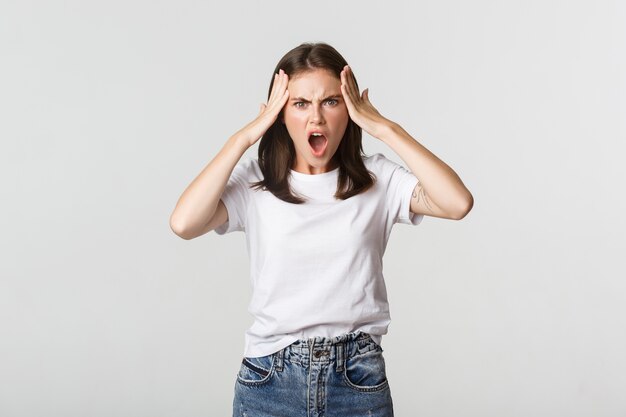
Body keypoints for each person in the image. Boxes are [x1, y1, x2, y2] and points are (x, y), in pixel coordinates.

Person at [170, 42, 473, 417]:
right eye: (300, 104)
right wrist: (244, 138)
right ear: (280, 114)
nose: (316, 118)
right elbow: (184, 223)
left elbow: (457, 203)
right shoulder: (255, 183)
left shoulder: (378, 179)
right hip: (270, 380)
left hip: (357, 379)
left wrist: (385, 128)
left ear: (349, 110)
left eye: (331, 101)